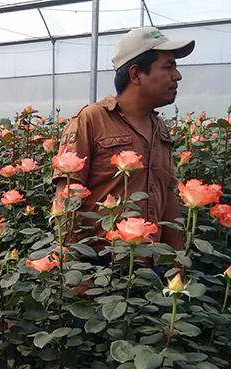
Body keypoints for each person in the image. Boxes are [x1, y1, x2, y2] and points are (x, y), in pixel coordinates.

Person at [54, 27, 195, 252]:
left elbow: (167, 194)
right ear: (136, 74)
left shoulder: (159, 128)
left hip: (150, 267)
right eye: (169, 66)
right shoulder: (91, 120)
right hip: (100, 266)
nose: (177, 76)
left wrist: (178, 261)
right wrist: (73, 271)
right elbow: (67, 195)